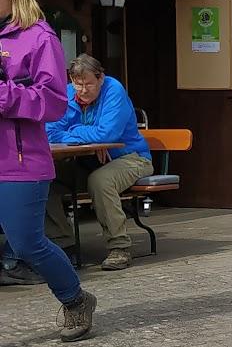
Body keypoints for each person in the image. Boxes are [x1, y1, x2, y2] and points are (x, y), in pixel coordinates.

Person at [0, 0, 96, 339]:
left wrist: (4, 95)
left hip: (20, 161)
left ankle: (75, 300)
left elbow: (55, 103)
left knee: (26, 245)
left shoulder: (40, 38)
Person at [36, 55, 154, 272]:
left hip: (131, 157)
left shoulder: (113, 90)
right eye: (77, 83)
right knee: (45, 176)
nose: (82, 90)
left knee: (100, 181)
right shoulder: (69, 93)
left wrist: (78, 133)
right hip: (88, 159)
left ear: (100, 78)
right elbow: (50, 131)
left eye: (88, 83)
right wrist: (91, 138)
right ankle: (64, 243)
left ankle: (119, 247)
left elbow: (108, 133)